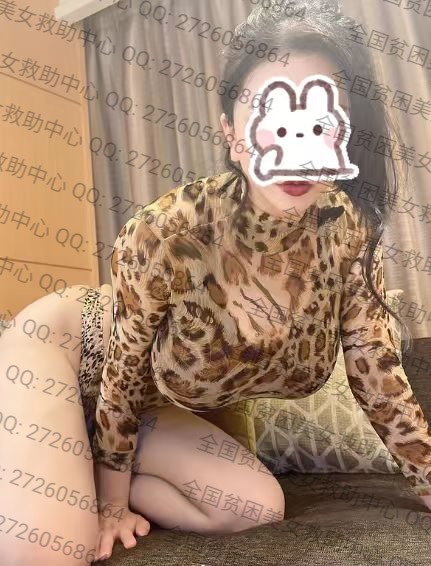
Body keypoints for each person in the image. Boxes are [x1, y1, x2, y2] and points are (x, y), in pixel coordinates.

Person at [2, 1, 431, 565]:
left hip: (148, 408)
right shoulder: (170, 229)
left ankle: (80, 458)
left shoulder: (348, 235)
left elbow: (379, 383)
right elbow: (123, 373)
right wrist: (109, 506)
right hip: (67, 349)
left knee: (255, 507)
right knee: (46, 548)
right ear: (232, 132)